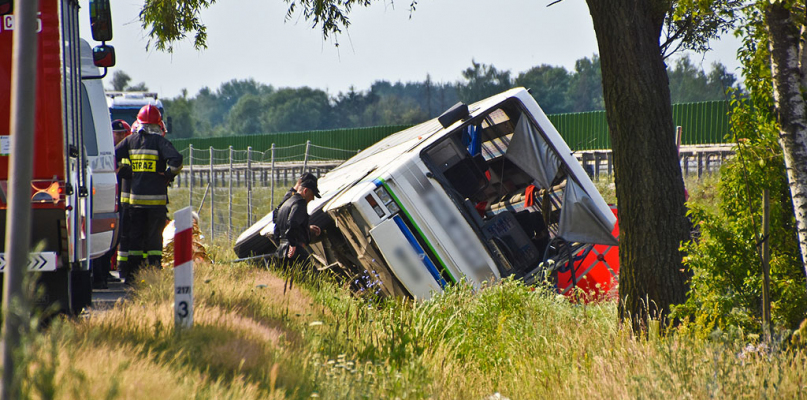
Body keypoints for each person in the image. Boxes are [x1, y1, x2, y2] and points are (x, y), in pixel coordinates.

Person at [115, 105, 183, 283]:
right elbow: (177, 160)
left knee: (135, 238)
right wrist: (168, 175)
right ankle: (153, 271)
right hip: (156, 203)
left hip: (135, 202)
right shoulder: (160, 142)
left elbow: (112, 156)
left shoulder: (130, 141)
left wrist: (125, 171)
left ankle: (133, 275)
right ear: (158, 124)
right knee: (154, 238)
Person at [92, 120, 133, 289]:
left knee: (113, 238)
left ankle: (104, 272)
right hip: (104, 197)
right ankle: (99, 275)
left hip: (117, 198)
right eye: (119, 134)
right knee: (104, 236)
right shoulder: (109, 151)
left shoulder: (124, 151)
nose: (122, 137)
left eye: (124, 134)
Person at [273, 174, 321, 265]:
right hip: (294, 251)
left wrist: (280, 244)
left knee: (289, 277)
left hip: (282, 250)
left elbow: (278, 224)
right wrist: (293, 244)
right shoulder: (300, 203)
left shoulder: (287, 201)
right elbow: (292, 222)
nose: (313, 198)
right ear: (306, 191)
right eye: (312, 195)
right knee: (310, 275)